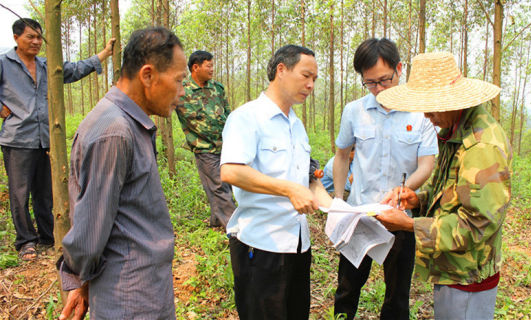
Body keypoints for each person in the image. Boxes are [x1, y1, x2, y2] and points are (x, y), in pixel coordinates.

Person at [57, 27, 187, 320]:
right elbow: (89, 232)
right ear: (148, 75)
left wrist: (83, 280)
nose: (181, 93)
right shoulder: (114, 132)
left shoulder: (126, 123)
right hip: (130, 298)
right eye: (179, 81)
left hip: (143, 288)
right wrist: (78, 277)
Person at [376, 51, 510, 320]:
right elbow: (454, 194)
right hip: (453, 269)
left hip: (468, 277)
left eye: (433, 106)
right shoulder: (455, 133)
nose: (427, 115)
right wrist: (419, 200)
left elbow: (477, 225)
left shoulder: (480, 146)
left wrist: (410, 225)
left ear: (453, 101)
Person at [220, 45, 331, 320]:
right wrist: (288, 189)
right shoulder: (247, 118)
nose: (310, 85)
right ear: (281, 70)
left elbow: (305, 178)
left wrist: (339, 210)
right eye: (306, 76)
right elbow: (231, 171)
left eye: (315, 79)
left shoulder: (297, 125)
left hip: (297, 244)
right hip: (261, 244)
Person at [332, 38, 438, 320]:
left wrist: (404, 189)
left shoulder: (422, 113)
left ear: (399, 69)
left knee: (397, 295)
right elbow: (342, 156)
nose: (379, 89)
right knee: (347, 287)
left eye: (384, 80)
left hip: (400, 217)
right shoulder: (354, 111)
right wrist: (337, 200)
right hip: (359, 215)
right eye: (370, 83)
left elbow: (427, 163)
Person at [0, 18, 114, 261]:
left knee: (45, 192)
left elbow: (74, 69)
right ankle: (25, 242)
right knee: (20, 193)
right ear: (16, 38)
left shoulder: (46, 65)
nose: (36, 41)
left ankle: (47, 235)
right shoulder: (4, 63)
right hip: (18, 138)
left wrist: (103, 54)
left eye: (40, 37)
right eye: (30, 37)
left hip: (46, 138)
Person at [176, 50, 235, 227]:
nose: (212, 69)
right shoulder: (181, 90)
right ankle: (236, 230)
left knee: (227, 184)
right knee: (218, 187)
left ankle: (216, 221)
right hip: (204, 148)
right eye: (208, 66)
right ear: (196, 67)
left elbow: (228, 114)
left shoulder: (217, 88)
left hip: (225, 146)